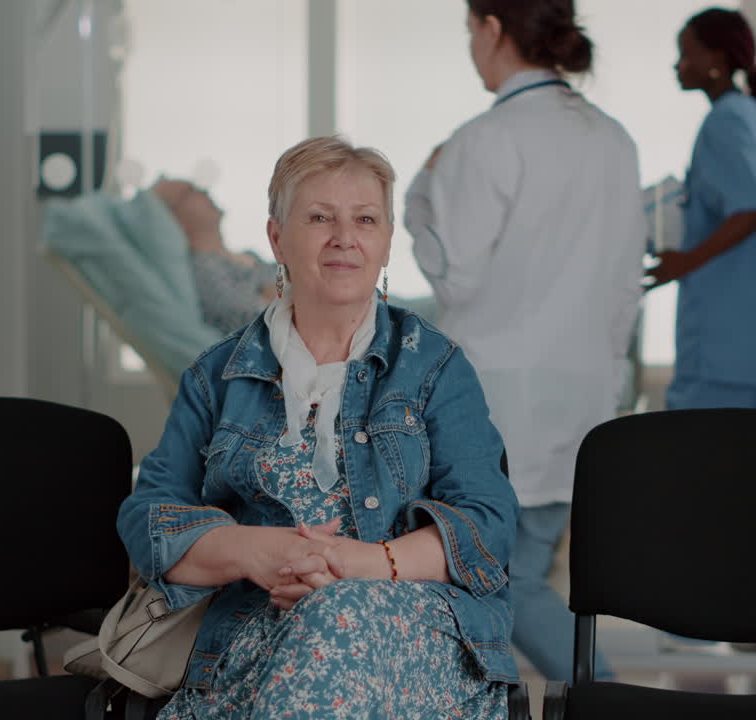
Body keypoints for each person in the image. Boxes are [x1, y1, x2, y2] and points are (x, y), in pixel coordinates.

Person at [119, 136, 520, 718]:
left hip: (415, 641)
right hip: (250, 643)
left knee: (338, 615)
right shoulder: (217, 377)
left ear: (384, 242)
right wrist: (257, 551)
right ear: (277, 237)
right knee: (325, 629)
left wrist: (353, 567)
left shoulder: (435, 367)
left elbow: (487, 526)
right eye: (319, 218)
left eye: (365, 219)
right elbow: (148, 517)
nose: (344, 238)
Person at [404, 0, 644, 683]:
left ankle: (603, 694)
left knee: (493, 574)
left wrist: (422, 189)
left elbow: (456, 276)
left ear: (491, 29)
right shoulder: (613, 137)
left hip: (499, 398)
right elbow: (626, 282)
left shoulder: (485, 139)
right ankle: (549, 695)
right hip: (586, 392)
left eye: (468, 33)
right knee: (524, 565)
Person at [646, 7, 756, 417]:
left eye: (686, 54)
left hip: (734, 353)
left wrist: (684, 262)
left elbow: (754, 208)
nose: (678, 65)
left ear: (716, 60)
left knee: (706, 467)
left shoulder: (727, 121)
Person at [151, 178, 277, 335]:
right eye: (190, 191)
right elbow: (254, 317)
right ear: (173, 218)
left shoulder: (250, 256)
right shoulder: (202, 270)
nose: (204, 191)